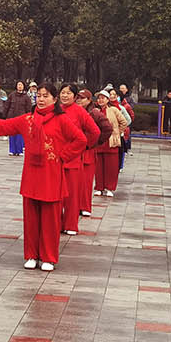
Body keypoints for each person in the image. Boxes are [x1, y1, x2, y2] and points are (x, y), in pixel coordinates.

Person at [0, 84, 84, 270]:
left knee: (50, 219)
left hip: (52, 176)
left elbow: (80, 140)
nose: (40, 99)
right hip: (32, 175)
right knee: (31, 218)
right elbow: (4, 126)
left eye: (45, 96)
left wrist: (62, 156)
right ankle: (31, 254)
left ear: (54, 99)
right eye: (38, 95)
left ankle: (48, 257)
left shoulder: (61, 120)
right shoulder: (28, 120)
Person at [57, 84, 102, 234]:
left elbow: (95, 132)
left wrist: (84, 146)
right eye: (62, 92)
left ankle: (70, 225)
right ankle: (56, 224)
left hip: (73, 159)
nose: (64, 96)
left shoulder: (80, 112)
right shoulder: (55, 110)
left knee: (72, 194)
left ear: (75, 96)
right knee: (56, 195)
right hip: (55, 159)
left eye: (68, 93)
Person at [75, 89, 110, 214]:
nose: (79, 100)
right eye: (77, 97)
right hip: (74, 151)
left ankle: (85, 207)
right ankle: (75, 206)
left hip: (87, 152)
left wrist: (95, 143)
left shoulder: (95, 113)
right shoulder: (72, 110)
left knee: (86, 182)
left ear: (89, 100)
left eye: (82, 98)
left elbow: (107, 128)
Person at [92, 90, 126, 196]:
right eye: (99, 98)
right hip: (99, 141)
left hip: (111, 142)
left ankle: (109, 187)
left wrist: (117, 132)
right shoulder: (95, 111)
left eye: (103, 98)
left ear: (107, 100)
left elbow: (124, 122)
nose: (101, 100)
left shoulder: (114, 110)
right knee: (99, 166)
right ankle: (99, 187)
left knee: (111, 166)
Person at [5, 80, 33, 155]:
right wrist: (5, 116)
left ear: (23, 86)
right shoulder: (12, 95)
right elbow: (7, 106)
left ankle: (19, 150)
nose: (20, 86)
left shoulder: (26, 97)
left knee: (20, 135)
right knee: (12, 134)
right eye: (18, 85)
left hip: (22, 118)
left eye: (21, 85)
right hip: (12, 117)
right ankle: (12, 150)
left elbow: (28, 109)